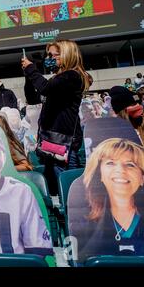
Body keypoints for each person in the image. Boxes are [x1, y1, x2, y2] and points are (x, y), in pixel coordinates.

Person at [22, 40, 90, 195]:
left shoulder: (72, 76)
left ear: (66, 54)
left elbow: (45, 88)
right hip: (50, 144)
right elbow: (33, 98)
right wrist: (28, 75)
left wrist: (31, 69)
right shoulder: (57, 78)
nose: (50, 58)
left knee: (70, 196)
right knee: (54, 194)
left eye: (53, 55)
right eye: (49, 55)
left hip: (64, 146)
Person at [68, 138, 144, 263]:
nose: (121, 170)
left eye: (130, 165)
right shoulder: (84, 216)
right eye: (110, 163)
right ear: (100, 174)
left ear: (142, 177)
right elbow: (80, 259)